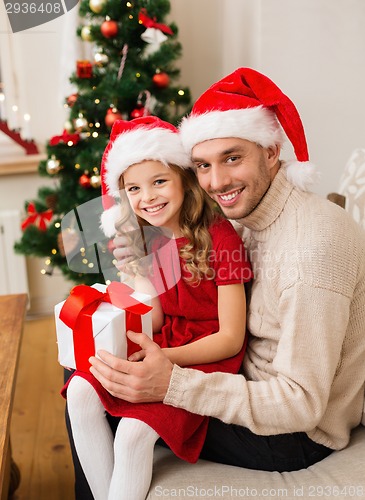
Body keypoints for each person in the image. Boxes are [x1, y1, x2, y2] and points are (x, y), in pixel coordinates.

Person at [87, 67, 365, 475]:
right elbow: (181, 290)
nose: (215, 182)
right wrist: (141, 261)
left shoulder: (311, 249)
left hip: (290, 434)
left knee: (111, 397)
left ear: (271, 152)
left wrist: (172, 383)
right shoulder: (240, 216)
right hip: (238, 374)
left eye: (232, 158)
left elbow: (300, 404)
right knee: (91, 366)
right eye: (202, 166)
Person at [62, 115, 252, 500]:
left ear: (183, 178)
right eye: (134, 188)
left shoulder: (221, 237)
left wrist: (163, 358)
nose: (147, 197)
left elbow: (231, 338)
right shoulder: (150, 237)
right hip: (164, 341)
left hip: (204, 356)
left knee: (132, 434)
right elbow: (159, 317)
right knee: (81, 389)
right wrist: (136, 275)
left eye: (159, 181)